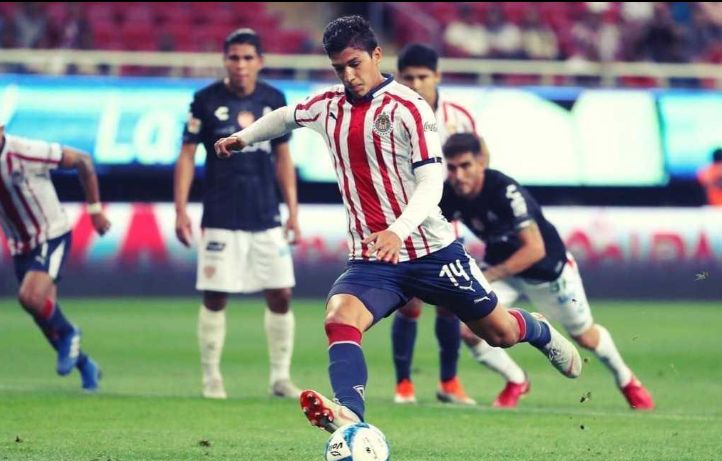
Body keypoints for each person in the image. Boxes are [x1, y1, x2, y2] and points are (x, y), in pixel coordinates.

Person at [215, 16, 582, 433]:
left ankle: (538, 330)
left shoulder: (409, 107)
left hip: (432, 250)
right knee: (339, 316)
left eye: (354, 64)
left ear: (376, 55)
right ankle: (350, 413)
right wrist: (242, 139)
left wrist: (398, 230)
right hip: (374, 257)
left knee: (497, 332)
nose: (348, 75)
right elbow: (285, 117)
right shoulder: (327, 107)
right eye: (339, 68)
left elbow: (431, 182)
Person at [440, 132, 655, 410]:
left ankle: (627, 381)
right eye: (453, 167)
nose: (458, 175)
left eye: (466, 165)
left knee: (585, 337)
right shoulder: (451, 193)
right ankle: (516, 380)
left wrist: (488, 275)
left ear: (481, 161)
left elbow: (534, 249)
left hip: (547, 271)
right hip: (504, 271)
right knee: (470, 330)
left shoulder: (505, 191)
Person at [391, 43, 530, 408]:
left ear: (437, 76)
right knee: (410, 304)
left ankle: (448, 382)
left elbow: (479, 155)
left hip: (445, 218)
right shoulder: (389, 114)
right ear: (399, 77)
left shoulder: (458, 116)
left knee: (450, 303)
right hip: (404, 217)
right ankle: (404, 385)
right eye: (409, 77)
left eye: (423, 76)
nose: (417, 83)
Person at [173, 28, 302, 400]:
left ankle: (280, 378)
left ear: (260, 61)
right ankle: (211, 377)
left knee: (281, 294)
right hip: (221, 213)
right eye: (234, 57)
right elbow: (187, 155)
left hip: (265, 213)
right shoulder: (204, 101)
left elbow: (283, 157)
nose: (241, 64)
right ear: (225, 60)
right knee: (215, 296)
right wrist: (181, 210)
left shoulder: (274, 99)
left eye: (248, 57)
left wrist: (292, 211)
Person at [0, 102, 108, 391]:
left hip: (52, 233)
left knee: (29, 298)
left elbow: (83, 161)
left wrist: (95, 210)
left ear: (0, 129)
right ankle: (87, 366)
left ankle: (71, 331)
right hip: (20, 246)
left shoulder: (25, 151)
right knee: (44, 317)